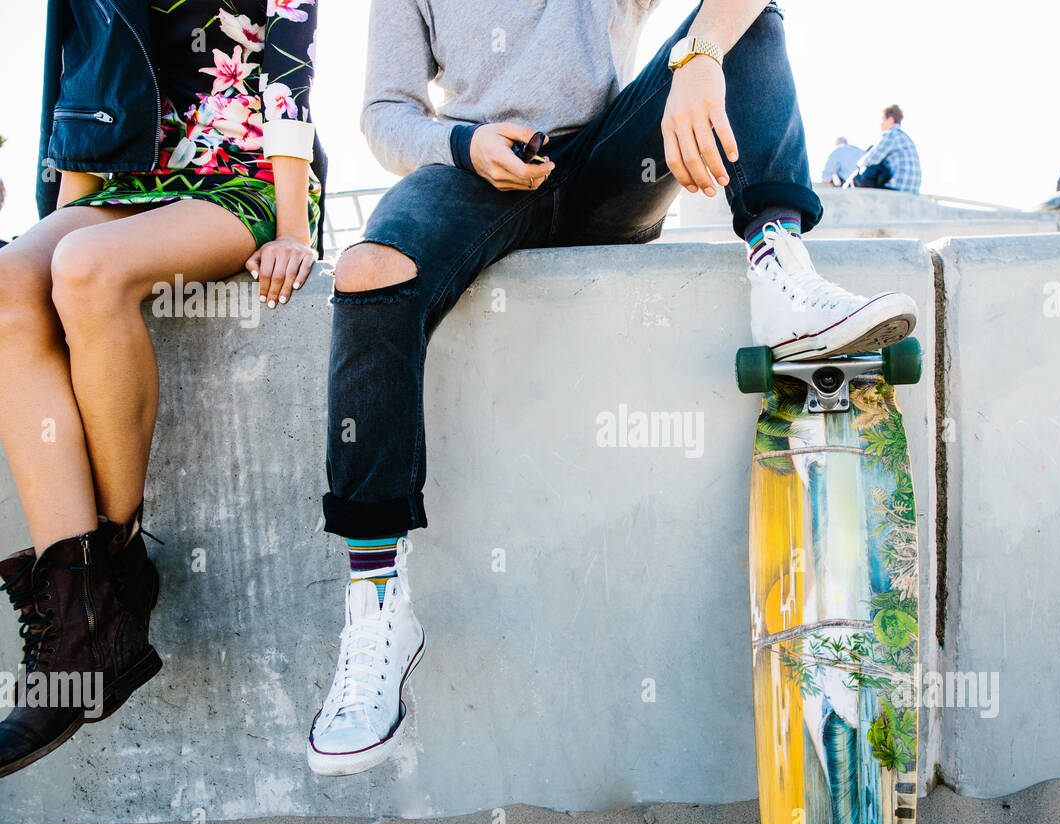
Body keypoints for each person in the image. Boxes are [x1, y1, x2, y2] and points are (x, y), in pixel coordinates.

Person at [307, 0, 920, 775]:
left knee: (748, 22)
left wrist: (698, 57)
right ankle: (377, 607)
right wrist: (463, 143)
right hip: (475, 176)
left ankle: (780, 269)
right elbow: (385, 114)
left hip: (608, 166)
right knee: (368, 271)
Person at [0, 0, 325, 778]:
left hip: (242, 182)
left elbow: (290, 72)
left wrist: (292, 229)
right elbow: (78, 82)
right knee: (13, 280)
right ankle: (86, 615)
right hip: (128, 183)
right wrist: (63, 218)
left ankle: (107, 578)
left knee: (85, 271)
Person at [852, 105, 921, 193]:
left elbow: (871, 159)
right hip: (911, 190)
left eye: (883, 119)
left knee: (861, 175)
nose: (880, 123)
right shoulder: (905, 137)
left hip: (896, 188)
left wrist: (858, 164)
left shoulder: (891, 135)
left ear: (890, 120)